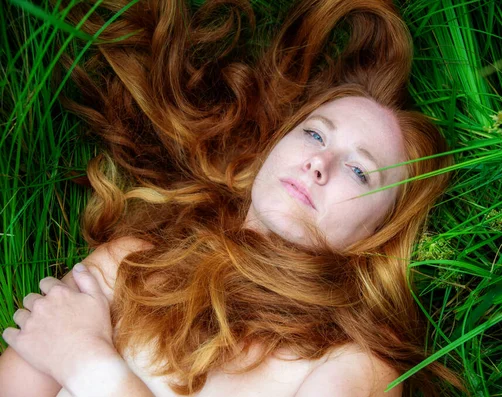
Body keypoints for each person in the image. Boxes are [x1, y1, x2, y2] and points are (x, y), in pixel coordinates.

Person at [0, 0, 467, 395]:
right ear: (272, 148)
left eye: (359, 170)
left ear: (381, 231)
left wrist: (88, 362)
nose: (318, 163)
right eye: (314, 134)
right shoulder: (134, 265)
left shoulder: (360, 362)